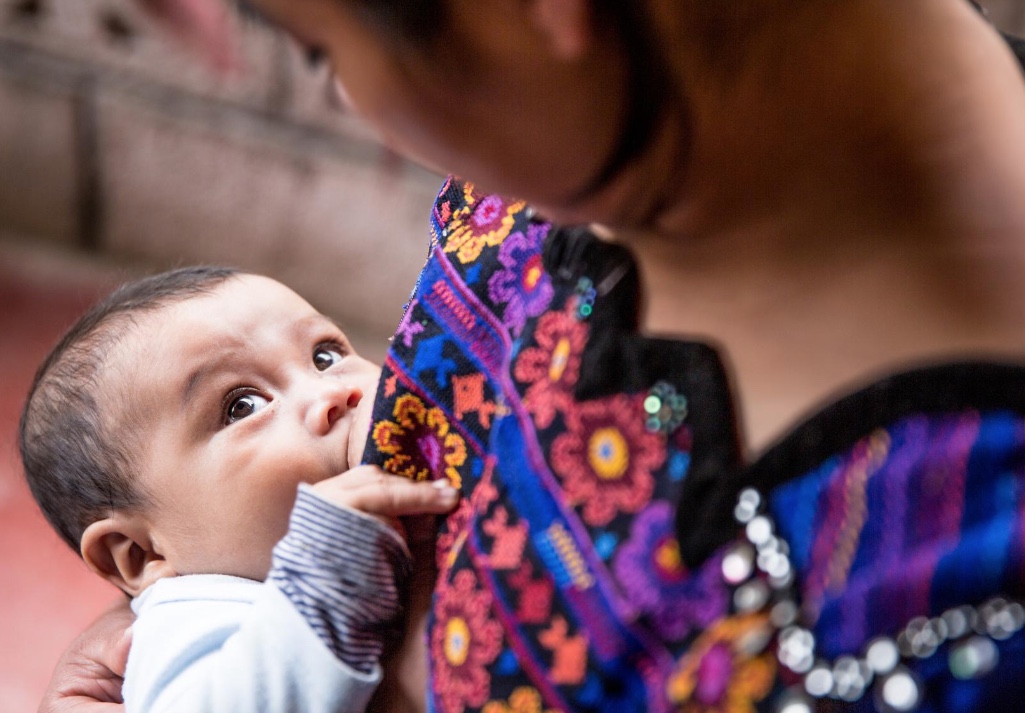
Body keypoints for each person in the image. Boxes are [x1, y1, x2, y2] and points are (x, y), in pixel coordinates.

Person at [40, 0, 1025, 711]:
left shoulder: (964, 578)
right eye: (240, 405)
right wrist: (203, 611)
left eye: (320, 48)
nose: (351, 94)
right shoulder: (523, 197)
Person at [19, 266, 460, 712]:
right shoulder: (190, 621)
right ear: (142, 553)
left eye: (325, 356)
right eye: (243, 406)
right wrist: (319, 578)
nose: (332, 393)